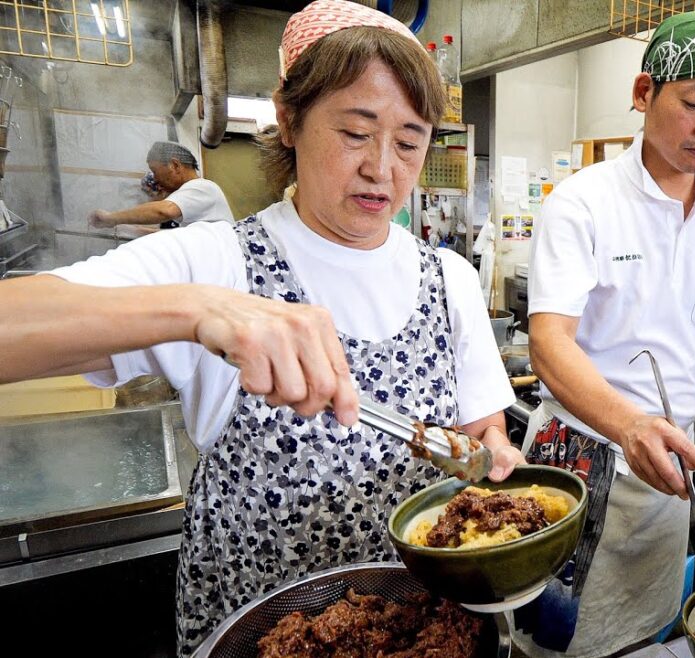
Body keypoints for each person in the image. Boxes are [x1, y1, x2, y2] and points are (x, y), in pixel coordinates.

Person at [0, 2, 522, 654]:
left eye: (410, 140)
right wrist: (195, 310)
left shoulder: (450, 278)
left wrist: (494, 461)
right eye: (356, 133)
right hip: (258, 635)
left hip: (420, 631)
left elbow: (481, 434)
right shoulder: (216, 261)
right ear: (289, 117)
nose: (383, 168)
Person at [518, 11, 695, 658]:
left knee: (641, 635)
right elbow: (550, 345)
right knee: (552, 640)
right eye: (693, 102)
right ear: (642, 93)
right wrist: (629, 426)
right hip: (580, 456)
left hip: (669, 461)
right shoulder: (583, 202)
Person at [88, 140, 233, 230]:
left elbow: (164, 211)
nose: (155, 179)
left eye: (155, 171)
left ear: (175, 165)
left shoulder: (203, 187)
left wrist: (111, 218)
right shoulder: (190, 192)